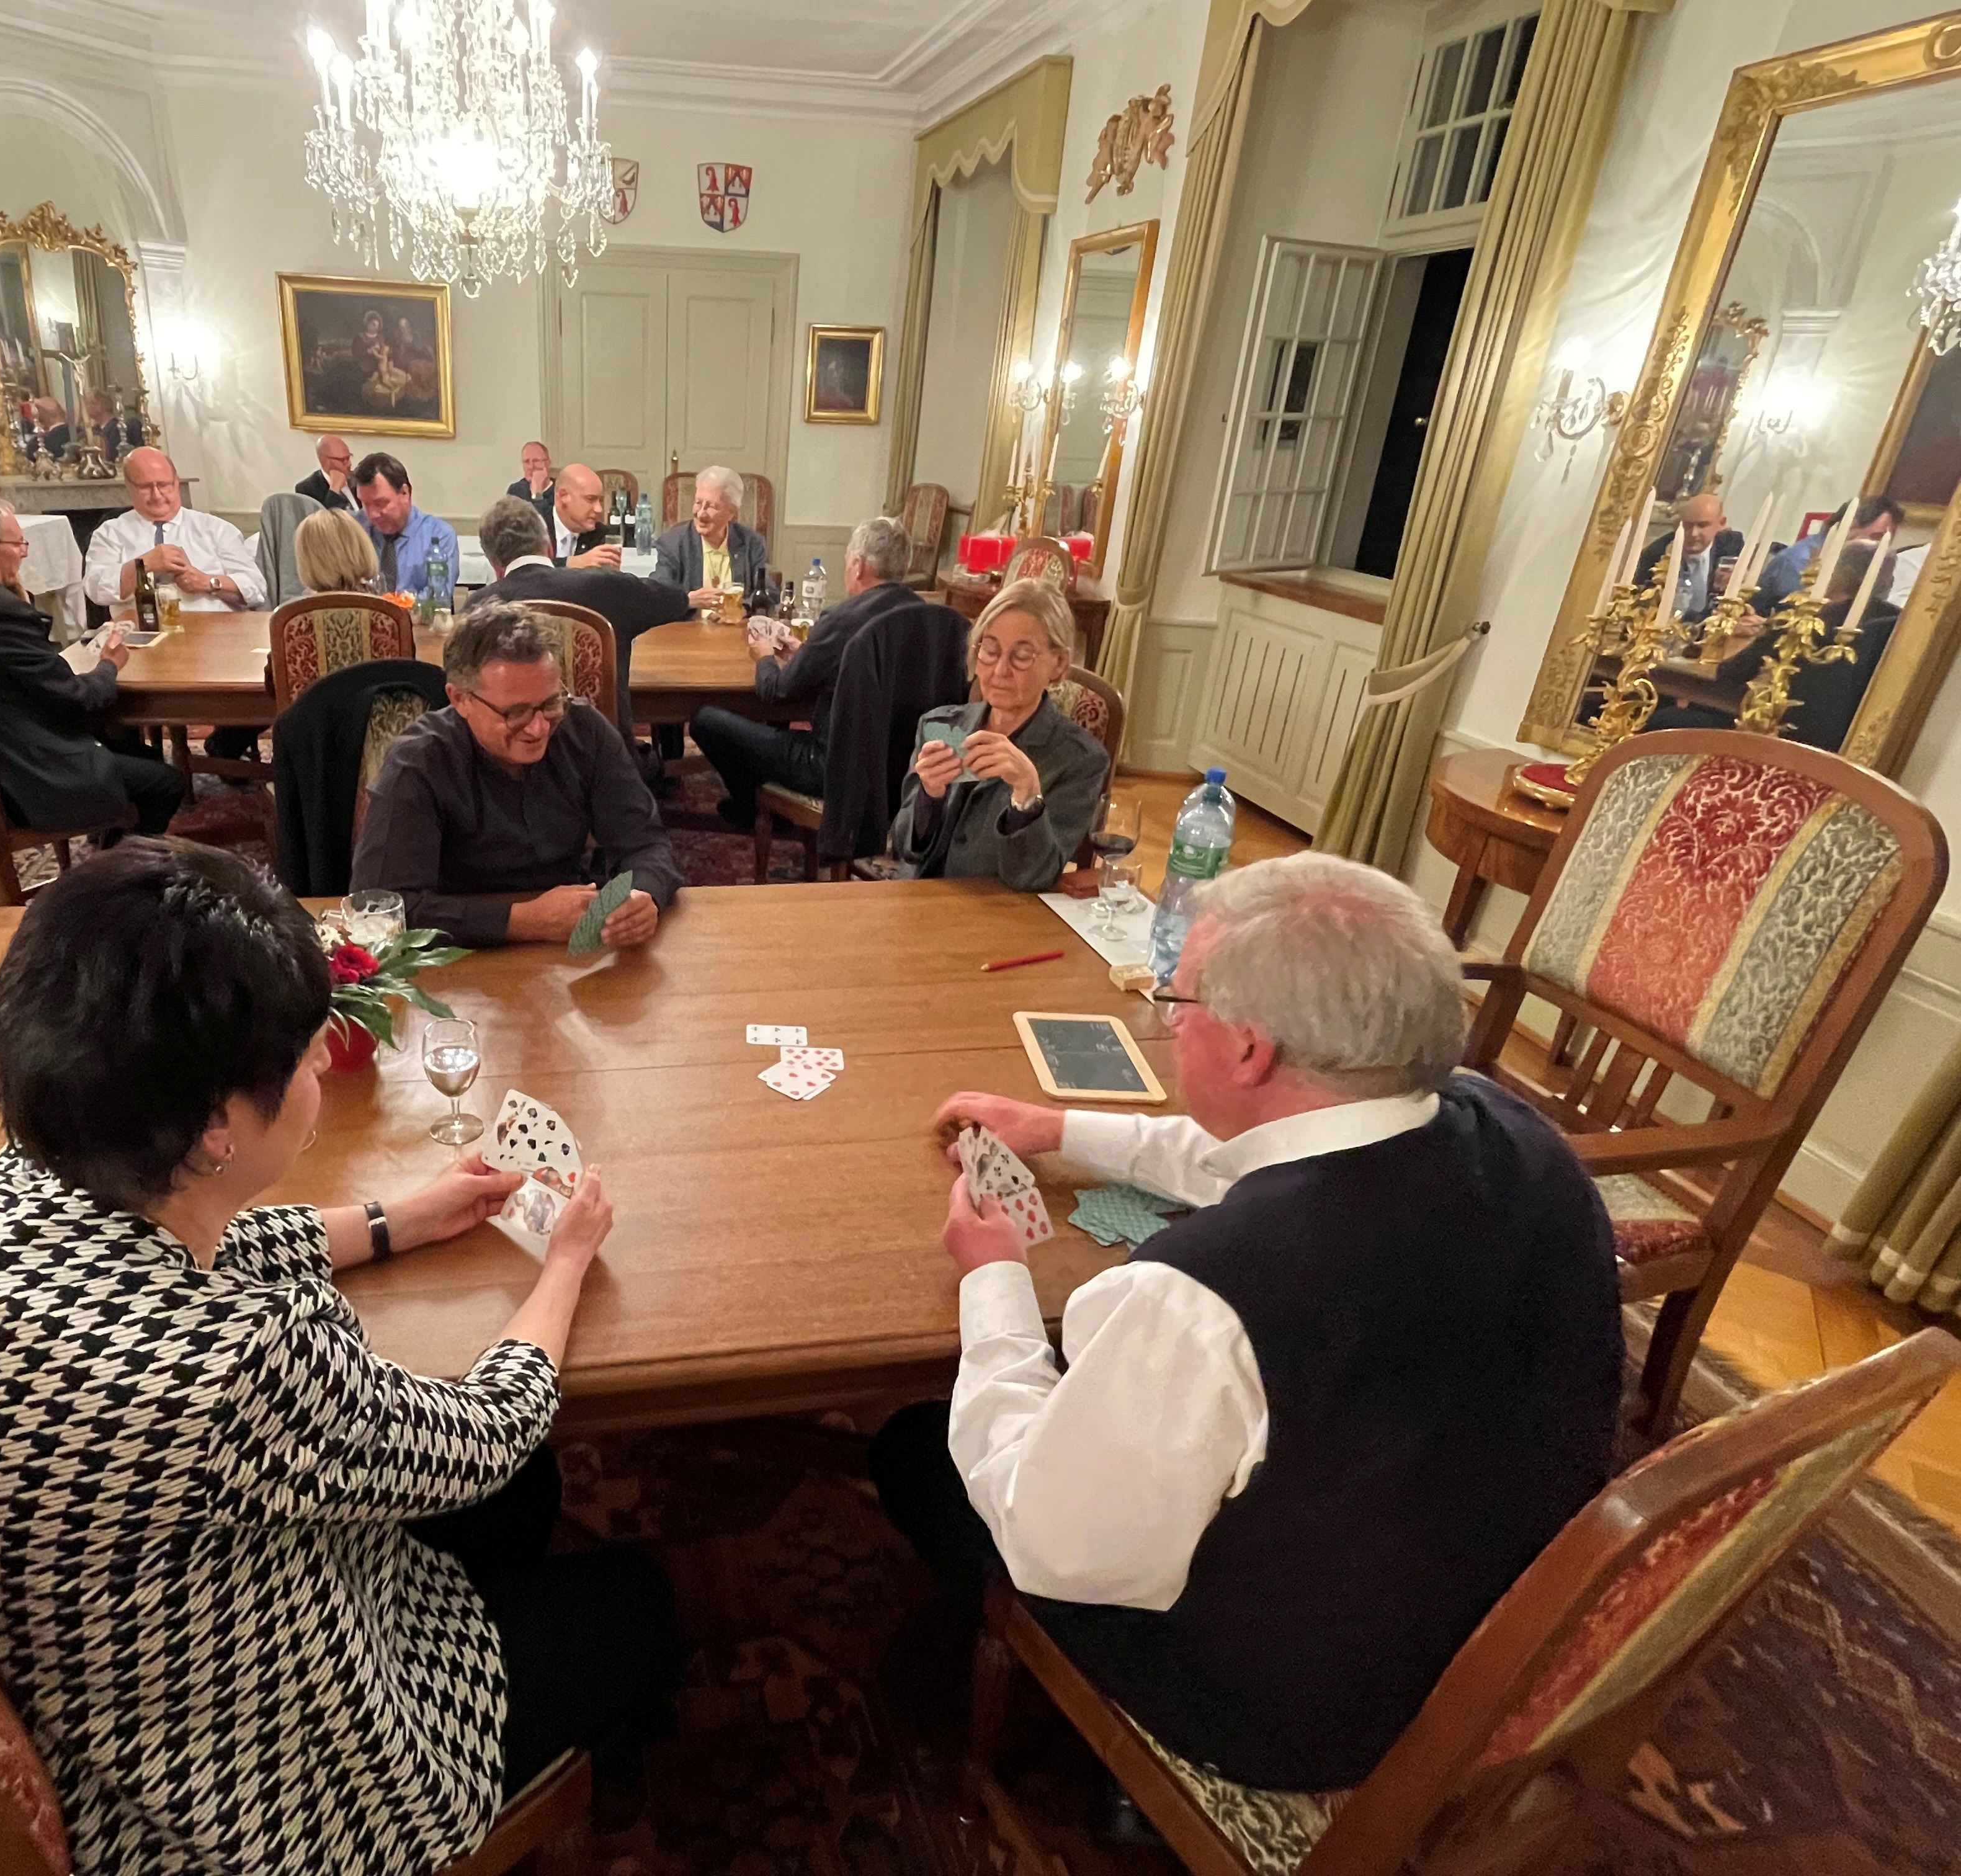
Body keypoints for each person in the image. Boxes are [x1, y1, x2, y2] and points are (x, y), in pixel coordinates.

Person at [0, 841, 686, 1876]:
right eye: (309, 1052)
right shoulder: (237, 1368)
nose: (321, 1067)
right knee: (630, 1592)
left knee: (522, 1502)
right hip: (233, 1787)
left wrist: (400, 1216)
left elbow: (199, 1247)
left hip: (98, 1669)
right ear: (219, 1125)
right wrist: (566, 1259)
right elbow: (487, 1426)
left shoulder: (19, 1187)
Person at [871, 854, 1621, 1794]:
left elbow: (1045, 1539)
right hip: (1496, 1617)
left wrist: (995, 1283)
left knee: (913, 1449)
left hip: (1306, 1716)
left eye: (1175, 1001)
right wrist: (1061, 1128)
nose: (1167, 1020)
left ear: (1249, 1050)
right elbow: (1277, 1153)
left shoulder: (1201, 1300)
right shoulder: (1511, 1130)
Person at [350, 602, 680, 947]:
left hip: (570, 952)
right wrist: (520, 921)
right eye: (516, 713)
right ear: (460, 699)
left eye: (551, 703)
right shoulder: (418, 763)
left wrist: (644, 894)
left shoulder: (584, 731)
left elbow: (646, 843)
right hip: (456, 963)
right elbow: (380, 910)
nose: (538, 729)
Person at [0, 491, 185, 836]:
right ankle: (122, 872)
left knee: (137, 751)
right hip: (28, 770)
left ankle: (111, 842)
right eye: (18, 545)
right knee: (167, 782)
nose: (22, 555)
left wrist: (18, 598)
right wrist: (110, 664)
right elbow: (76, 697)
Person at [690, 514, 927, 829]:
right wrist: (806, 655)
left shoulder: (844, 620)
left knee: (706, 721)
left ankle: (751, 807)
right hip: (903, 769)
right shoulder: (932, 620)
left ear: (857, 566)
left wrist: (764, 656)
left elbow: (775, 692)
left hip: (832, 769)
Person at [889, 583, 1109, 891]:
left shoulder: (1078, 760)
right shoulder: (942, 726)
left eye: (1021, 656)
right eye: (990, 651)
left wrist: (1028, 796)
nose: (1000, 670)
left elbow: (1034, 877)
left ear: (1058, 663)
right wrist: (930, 797)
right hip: (919, 902)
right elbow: (906, 848)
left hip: (1000, 917)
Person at [469, 496, 690, 738]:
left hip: (511, 762)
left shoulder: (478, 609)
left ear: (494, 564)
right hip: (606, 758)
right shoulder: (606, 586)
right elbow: (674, 601)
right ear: (549, 548)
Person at [1648, 541, 1900, 749]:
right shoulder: (1892, 625)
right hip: (1835, 742)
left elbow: (1729, 675)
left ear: (1833, 575)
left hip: (1773, 735)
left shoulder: (1803, 621)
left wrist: (1739, 638)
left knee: (1664, 718)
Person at [83, 447, 266, 617]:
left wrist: (208, 582)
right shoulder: (110, 533)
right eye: (145, 487)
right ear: (130, 487)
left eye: (164, 485)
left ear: (176, 483)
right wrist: (144, 565)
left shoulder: (216, 529)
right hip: (141, 635)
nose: (157, 495)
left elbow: (256, 588)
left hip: (213, 635)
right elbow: (96, 590)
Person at [1753, 495, 1902, 615]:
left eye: (1886, 543)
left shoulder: (1860, 564)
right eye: (1877, 538)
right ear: (1851, 526)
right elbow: (1808, 615)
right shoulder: (1799, 561)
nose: (1879, 548)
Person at [354, 450, 461, 603]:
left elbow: (438, 598)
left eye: (380, 503)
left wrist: (394, 609)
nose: (372, 514)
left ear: (405, 493)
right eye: (364, 504)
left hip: (417, 624)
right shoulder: (355, 530)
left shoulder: (439, 535)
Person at [651, 465, 766, 607]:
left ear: (732, 513)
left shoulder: (751, 543)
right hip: (688, 628)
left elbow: (767, 594)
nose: (701, 514)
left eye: (711, 506)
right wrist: (687, 601)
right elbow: (657, 595)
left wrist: (742, 609)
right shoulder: (672, 543)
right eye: (698, 503)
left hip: (735, 628)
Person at [1632, 491, 1740, 623]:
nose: (1693, 533)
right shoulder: (1656, 554)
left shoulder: (1732, 546)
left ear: (1721, 523)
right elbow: (1640, 606)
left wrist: (1736, 582)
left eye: (1702, 525)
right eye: (1687, 526)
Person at [548, 463, 624, 570]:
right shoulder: (532, 525)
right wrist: (572, 562)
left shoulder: (600, 535)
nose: (599, 509)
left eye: (600, 501)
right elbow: (523, 568)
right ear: (564, 496)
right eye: (590, 499)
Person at [296, 434, 356, 513]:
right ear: (323, 460)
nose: (349, 464)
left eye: (349, 457)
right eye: (343, 460)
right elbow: (322, 522)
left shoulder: (358, 478)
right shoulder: (307, 489)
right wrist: (334, 489)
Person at [506, 440, 556, 532]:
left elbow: (548, 526)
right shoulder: (516, 491)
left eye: (536, 461)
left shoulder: (559, 491)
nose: (531, 467)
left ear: (548, 463)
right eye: (526, 462)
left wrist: (537, 494)